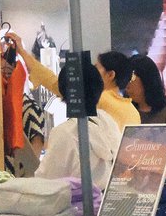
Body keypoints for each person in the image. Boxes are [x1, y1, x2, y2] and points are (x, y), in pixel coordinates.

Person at [7, 32, 141, 128]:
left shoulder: (99, 99)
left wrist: (22, 52)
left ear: (110, 75)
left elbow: (54, 83)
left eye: (96, 68)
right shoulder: (133, 112)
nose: (92, 71)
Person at [36, 53, 121, 184]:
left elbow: (46, 181)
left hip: (77, 197)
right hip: (107, 194)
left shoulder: (65, 132)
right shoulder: (108, 121)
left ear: (63, 92)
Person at [128, 54, 166, 168]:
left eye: (131, 79)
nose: (127, 86)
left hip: (164, 176)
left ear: (146, 79)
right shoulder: (127, 110)